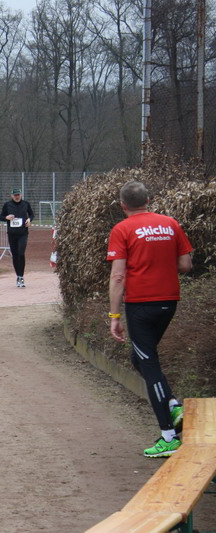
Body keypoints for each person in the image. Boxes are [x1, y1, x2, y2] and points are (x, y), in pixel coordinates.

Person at [108, 181, 193, 458]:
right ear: (148, 200)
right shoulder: (171, 224)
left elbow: (118, 276)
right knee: (140, 357)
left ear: (123, 205)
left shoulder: (122, 229)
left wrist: (114, 316)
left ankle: (169, 437)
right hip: (169, 302)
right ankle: (173, 406)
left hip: (141, 305)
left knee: (149, 363)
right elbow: (185, 265)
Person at [0, 187, 34, 288]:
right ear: (12, 196)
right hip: (12, 234)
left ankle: (21, 276)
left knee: (21, 253)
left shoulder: (26, 204)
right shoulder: (7, 205)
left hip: (23, 233)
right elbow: (1, 217)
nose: (17, 197)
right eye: (15, 195)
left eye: (18, 195)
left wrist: (29, 220)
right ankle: (18, 276)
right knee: (15, 255)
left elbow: (31, 214)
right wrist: (6, 217)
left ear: (21, 195)